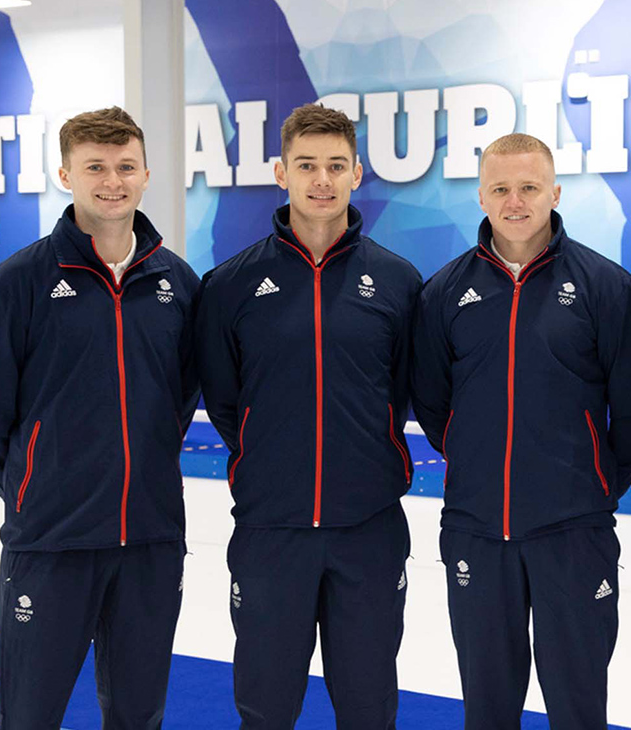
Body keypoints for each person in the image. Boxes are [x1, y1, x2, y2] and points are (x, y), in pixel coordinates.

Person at [0, 107, 199, 729]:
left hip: (149, 539)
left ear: (146, 174)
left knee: (139, 715)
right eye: (95, 167)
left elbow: (184, 395)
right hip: (52, 543)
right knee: (30, 715)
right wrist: (36, 490)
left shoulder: (179, 283)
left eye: (124, 167)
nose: (111, 181)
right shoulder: (17, 283)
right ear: (66, 173)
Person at [411, 133, 631, 729]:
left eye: (528, 187)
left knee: (578, 707)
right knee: (488, 709)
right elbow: (434, 404)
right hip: (476, 531)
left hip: (574, 535)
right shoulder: (444, 292)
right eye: (500, 188)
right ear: (480, 196)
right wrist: (479, 466)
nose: (514, 201)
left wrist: (589, 485)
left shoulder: (607, 286)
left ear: (554, 190)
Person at [193, 103, 421, 728]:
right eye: (307, 165)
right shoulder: (230, 285)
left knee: (369, 706)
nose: (322, 179)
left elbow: (400, 390)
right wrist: (272, 462)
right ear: (281, 172)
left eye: (335, 166)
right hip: (272, 532)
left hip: (368, 530)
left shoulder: (398, 283)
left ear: (357, 174)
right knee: (266, 708)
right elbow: (225, 400)